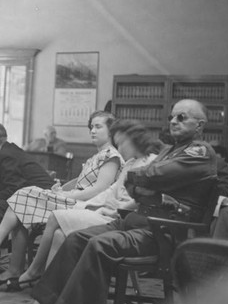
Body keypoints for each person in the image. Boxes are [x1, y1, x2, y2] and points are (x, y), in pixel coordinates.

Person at [32, 99, 218, 304]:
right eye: (172, 117)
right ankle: (49, 302)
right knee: (77, 238)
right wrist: (143, 183)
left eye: (181, 117)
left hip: (162, 231)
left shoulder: (199, 153)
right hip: (136, 222)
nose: (174, 121)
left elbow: (154, 174)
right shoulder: (169, 151)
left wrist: (141, 181)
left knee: (98, 245)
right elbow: (139, 183)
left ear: (200, 125)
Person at [0, 111, 123, 284]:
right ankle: (13, 268)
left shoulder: (111, 156)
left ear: (111, 131)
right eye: (91, 126)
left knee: (24, 195)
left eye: (98, 127)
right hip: (74, 200)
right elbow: (81, 184)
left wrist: (66, 193)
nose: (92, 130)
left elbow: (99, 189)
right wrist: (61, 189)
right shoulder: (97, 156)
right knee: (21, 204)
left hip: (87, 206)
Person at [15, 120, 161, 290]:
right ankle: (50, 288)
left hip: (123, 219)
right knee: (59, 235)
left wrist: (114, 209)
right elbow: (110, 192)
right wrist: (87, 205)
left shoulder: (152, 162)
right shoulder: (130, 163)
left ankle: (34, 272)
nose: (119, 148)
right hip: (107, 212)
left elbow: (144, 201)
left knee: (55, 216)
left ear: (135, 139)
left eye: (121, 143)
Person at [0, 121, 55, 270]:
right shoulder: (8, 150)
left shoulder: (6, 155)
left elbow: (14, 188)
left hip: (42, 199)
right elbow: (8, 185)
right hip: (34, 194)